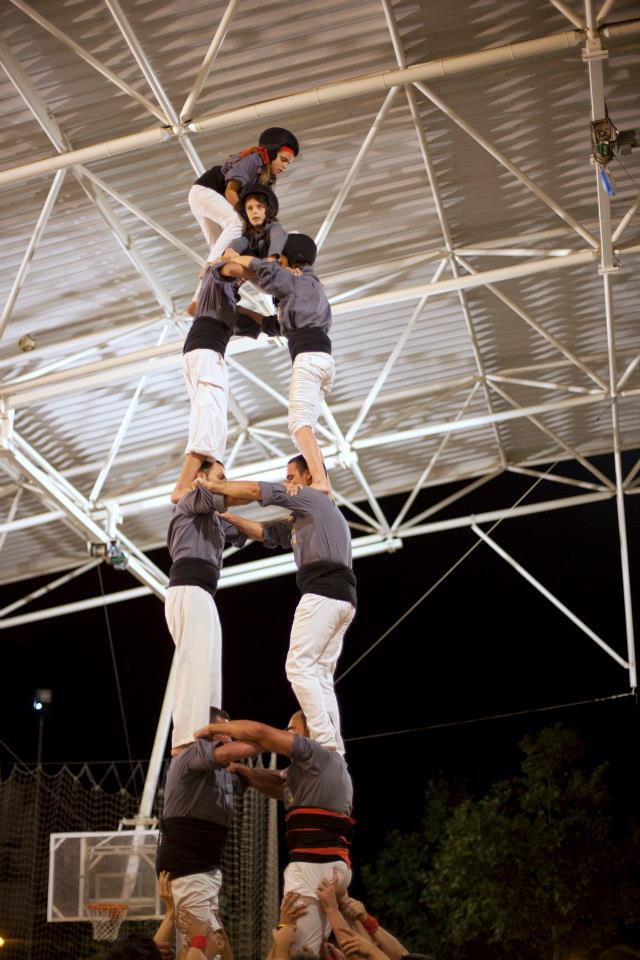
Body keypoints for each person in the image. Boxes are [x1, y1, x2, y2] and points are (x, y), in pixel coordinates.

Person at [190, 454, 356, 754]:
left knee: (298, 666)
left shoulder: (311, 497)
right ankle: (335, 745)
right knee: (319, 674)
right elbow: (268, 534)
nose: (288, 482)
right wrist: (232, 519)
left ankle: (326, 743)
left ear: (309, 477)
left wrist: (217, 486)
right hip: (342, 599)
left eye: (292, 476)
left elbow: (257, 491)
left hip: (322, 592)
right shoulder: (308, 517)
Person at [195, 710, 354, 955]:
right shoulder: (312, 771)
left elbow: (260, 733)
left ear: (311, 732)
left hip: (314, 867)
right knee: (316, 951)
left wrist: (211, 730)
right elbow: (279, 787)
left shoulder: (317, 754)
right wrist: (244, 771)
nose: (286, 733)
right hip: (330, 865)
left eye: (292, 729)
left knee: (295, 951)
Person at [222, 234, 333, 492]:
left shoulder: (298, 279)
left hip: (309, 358)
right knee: (307, 431)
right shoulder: (311, 288)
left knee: (298, 426)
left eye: (280, 256)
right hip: (323, 360)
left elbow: (266, 271)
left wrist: (234, 258)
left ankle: (319, 481)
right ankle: (321, 479)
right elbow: (273, 326)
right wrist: (236, 314)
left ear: (292, 257)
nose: (277, 260)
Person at [156, 708, 259, 960]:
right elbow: (236, 752)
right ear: (208, 733)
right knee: (197, 947)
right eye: (226, 732)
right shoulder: (192, 754)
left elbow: (249, 776)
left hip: (206, 867)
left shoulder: (220, 773)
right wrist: (271, 739)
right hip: (188, 867)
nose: (231, 738)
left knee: (216, 944)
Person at [165, 460, 248, 751]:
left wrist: (293, 517)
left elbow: (244, 532)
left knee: (211, 668)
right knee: (194, 663)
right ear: (201, 477)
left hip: (203, 593)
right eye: (220, 477)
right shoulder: (191, 498)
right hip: (188, 589)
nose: (224, 482)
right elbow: (227, 497)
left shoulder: (212, 516)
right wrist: (276, 492)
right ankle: (185, 740)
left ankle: (210, 727)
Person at [172, 257, 268, 501]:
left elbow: (269, 325)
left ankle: (196, 479)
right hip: (205, 353)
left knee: (213, 423)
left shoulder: (230, 306)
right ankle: (182, 485)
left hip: (203, 355)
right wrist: (266, 267)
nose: (244, 276)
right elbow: (226, 270)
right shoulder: (218, 282)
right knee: (209, 416)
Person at [187, 127, 299, 305]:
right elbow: (231, 191)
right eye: (283, 159)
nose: (285, 166)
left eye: (288, 163)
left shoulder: (266, 178)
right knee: (237, 223)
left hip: (203, 199)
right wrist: (250, 218)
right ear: (270, 153)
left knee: (220, 248)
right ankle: (210, 271)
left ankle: (199, 300)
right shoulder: (253, 159)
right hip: (205, 192)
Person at [229, 183, 287, 261]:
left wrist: (272, 257)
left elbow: (277, 237)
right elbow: (240, 242)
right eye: (250, 208)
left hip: (275, 266)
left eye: (259, 206)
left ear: (267, 210)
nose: (254, 212)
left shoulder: (273, 227)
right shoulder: (248, 236)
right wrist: (229, 251)